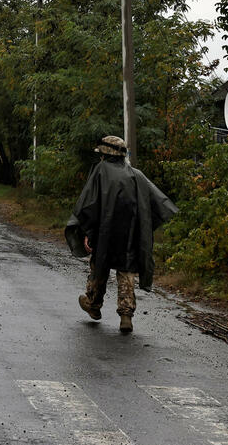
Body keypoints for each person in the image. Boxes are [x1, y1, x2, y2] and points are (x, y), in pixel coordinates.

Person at [65, 135, 178, 333]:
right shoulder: (137, 175)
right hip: (130, 235)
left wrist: (87, 232)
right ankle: (126, 315)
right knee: (126, 271)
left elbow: (90, 205)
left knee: (99, 267)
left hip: (104, 233)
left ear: (105, 155)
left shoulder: (100, 171)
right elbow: (154, 204)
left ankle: (93, 304)